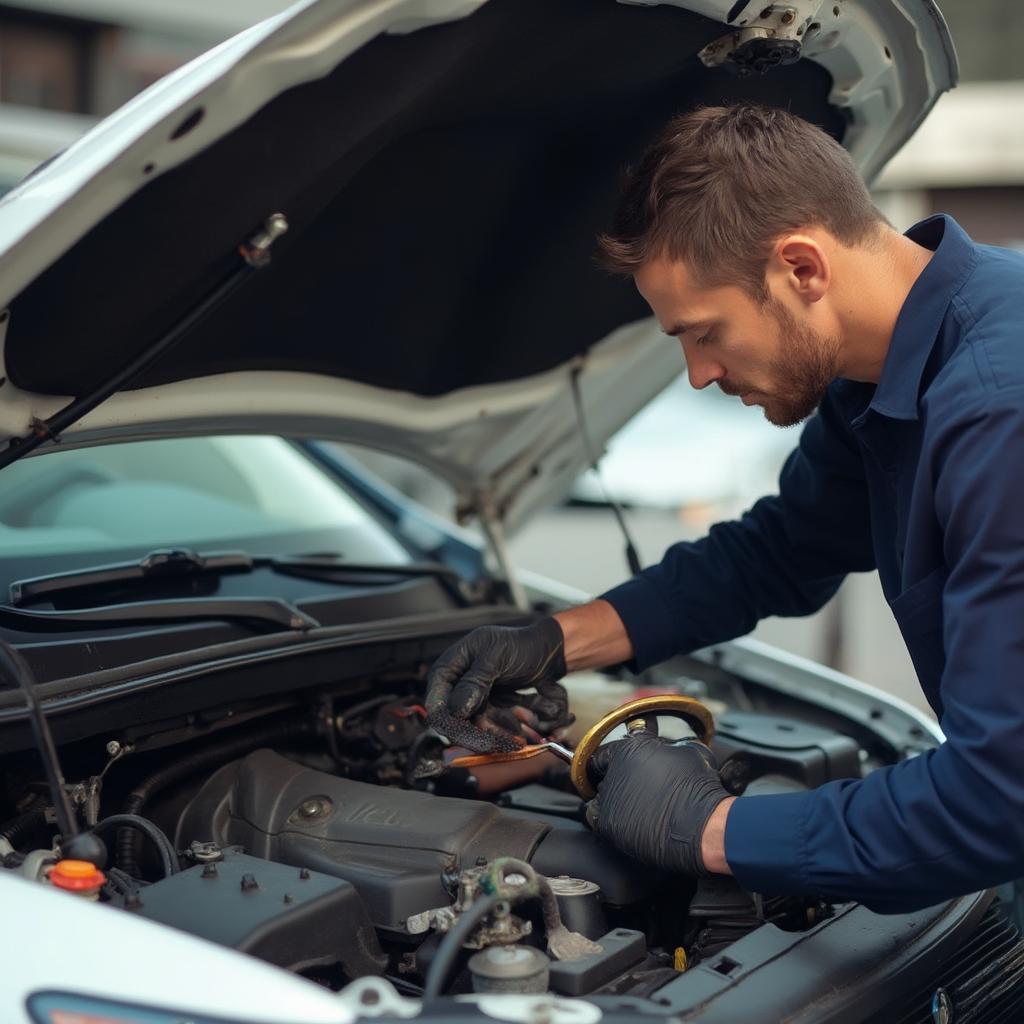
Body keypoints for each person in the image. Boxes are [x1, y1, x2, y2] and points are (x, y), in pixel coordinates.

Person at [425, 104, 1024, 914]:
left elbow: (1000, 797)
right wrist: (553, 641)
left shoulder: (999, 414)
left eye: (705, 332)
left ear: (803, 269)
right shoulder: (885, 367)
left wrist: (708, 829)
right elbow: (779, 551)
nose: (699, 373)